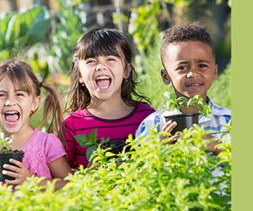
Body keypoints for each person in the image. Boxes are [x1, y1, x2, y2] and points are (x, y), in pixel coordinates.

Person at [0, 60, 71, 196]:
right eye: (1, 95)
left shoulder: (47, 144)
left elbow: (70, 185)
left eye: (19, 94)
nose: (10, 102)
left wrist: (32, 181)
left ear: (35, 103)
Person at [64, 27, 155, 169]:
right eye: (91, 61)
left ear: (126, 71)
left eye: (110, 59)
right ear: (79, 76)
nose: (100, 67)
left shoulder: (146, 116)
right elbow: (62, 178)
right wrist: (88, 174)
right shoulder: (72, 125)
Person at [136, 23, 231, 153]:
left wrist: (214, 145)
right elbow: (138, 169)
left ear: (214, 72)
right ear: (166, 76)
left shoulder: (229, 120)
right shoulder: (152, 124)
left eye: (202, 65)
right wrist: (158, 150)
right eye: (182, 68)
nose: (193, 74)